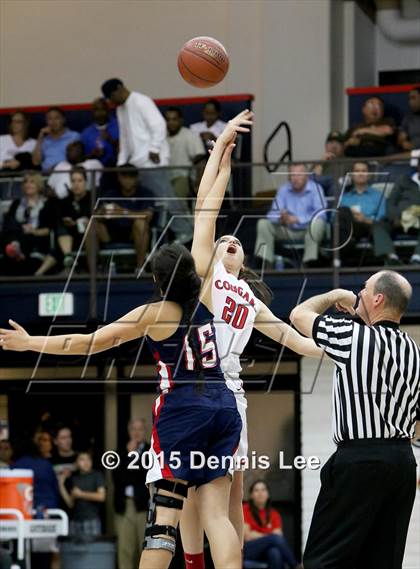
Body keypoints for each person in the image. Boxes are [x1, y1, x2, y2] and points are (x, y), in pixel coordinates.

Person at [0, 241, 244, 569]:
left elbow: (88, 343)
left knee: (164, 520)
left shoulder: (155, 313)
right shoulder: (209, 299)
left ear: (158, 282)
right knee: (216, 515)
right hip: (224, 407)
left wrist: (30, 342)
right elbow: (205, 227)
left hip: (185, 411)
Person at [180, 112, 322, 569]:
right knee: (193, 493)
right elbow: (207, 206)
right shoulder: (206, 276)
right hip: (197, 387)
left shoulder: (248, 297)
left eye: (233, 238)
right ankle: (195, 561)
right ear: (215, 253)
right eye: (223, 239)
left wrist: (348, 347)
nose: (229, 239)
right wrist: (220, 151)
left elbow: (297, 342)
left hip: (232, 393)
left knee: (234, 493)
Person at [290, 271, 420, 569]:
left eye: (364, 288)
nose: (358, 292)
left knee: (323, 560)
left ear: (378, 299)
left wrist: (335, 295)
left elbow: (299, 315)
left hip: (359, 460)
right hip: (402, 463)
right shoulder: (414, 351)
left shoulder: (352, 336)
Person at [101, 78, 192, 243]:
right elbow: (125, 138)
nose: (111, 101)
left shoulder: (142, 101)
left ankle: (186, 231)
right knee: (155, 202)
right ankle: (174, 233)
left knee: (166, 197)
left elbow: (158, 126)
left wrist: (154, 149)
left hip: (152, 161)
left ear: (120, 88)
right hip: (136, 164)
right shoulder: (121, 109)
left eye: (111, 97)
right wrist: (121, 164)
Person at [254, 163, 327, 268]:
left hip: (307, 229)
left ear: (306, 176)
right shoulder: (283, 190)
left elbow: (321, 213)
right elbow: (271, 214)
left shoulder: (316, 188)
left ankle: (308, 264)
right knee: (263, 223)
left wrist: (298, 219)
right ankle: (265, 264)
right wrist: (280, 218)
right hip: (287, 229)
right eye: (292, 175)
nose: (295, 178)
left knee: (318, 223)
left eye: (299, 175)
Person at [338, 160, 399, 265]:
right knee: (342, 212)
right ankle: (339, 254)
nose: (361, 173)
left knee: (378, 226)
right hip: (352, 228)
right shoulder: (344, 198)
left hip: (372, 227)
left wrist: (365, 219)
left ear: (369, 175)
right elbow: (334, 218)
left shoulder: (378, 195)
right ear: (352, 175)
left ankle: (390, 258)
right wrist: (350, 216)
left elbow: (383, 216)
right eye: (357, 171)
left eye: (364, 171)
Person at [96, 164, 154, 269]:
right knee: (92, 223)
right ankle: (94, 270)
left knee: (141, 223)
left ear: (136, 178)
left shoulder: (145, 193)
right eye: (124, 177)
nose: (127, 180)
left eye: (131, 177)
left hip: (133, 234)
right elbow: (97, 215)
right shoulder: (110, 194)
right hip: (111, 233)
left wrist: (123, 212)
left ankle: (140, 268)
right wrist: (104, 213)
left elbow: (147, 216)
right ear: (119, 177)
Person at [1, 171, 58, 276]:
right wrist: (21, 228)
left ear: (38, 185)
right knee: (11, 225)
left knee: (19, 232)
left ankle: (16, 248)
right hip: (17, 236)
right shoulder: (16, 203)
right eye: (25, 182)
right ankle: (15, 247)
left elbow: (48, 229)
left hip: (35, 239)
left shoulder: (47, 204)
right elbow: (8, 225)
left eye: (32, 182)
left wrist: (33, 230)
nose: (28, 184)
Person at [113, 419, 151, 569]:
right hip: (124, 504)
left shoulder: (150, 451)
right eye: (133, 429)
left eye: (140, 429)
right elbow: (117, 478)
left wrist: (134, 456)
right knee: (125, 548)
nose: (136, 433)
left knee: (145, 547)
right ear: (128, 432)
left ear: (145, 431)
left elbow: (144, 477)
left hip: (143, 505)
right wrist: (128, 455)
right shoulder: (120, 452)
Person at [243, 480, 301, 569]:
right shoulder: (245, 509)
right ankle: (296, 565)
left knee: (274, 552)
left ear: (268, 494)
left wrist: (261, 536)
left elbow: (279, 536)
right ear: (251, 495)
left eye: (263, 490)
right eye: (256, 490)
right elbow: (247, 536)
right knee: (274, 540)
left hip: (266, 552)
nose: (260, 493)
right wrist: (270, 537)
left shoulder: (274, 514)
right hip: (248, 550)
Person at [380, 160, 420, 265]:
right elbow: (391, 201)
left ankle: (417, 258)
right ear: (418, 166)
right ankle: (392, 258)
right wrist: (394, 218)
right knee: (379, 225)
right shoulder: (404, 180)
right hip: (399, 219)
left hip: (418, 221)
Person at [58, 451, 106, 538]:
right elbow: (70, 503)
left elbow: (101, 496)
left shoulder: (96, 475)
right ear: (76, 463)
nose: (86, 462)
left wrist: (81, 494)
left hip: (92, 520)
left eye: (88, 459)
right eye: (82, 460)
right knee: (76, 550)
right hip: (76, 520)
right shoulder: (75, 478)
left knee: (92, 548)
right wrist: (61, 484)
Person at [165, 107, 206, 204]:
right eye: (168, 120)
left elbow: (201, 160)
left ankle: (183, 219)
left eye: (174, 119)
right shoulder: (161, 136)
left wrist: (199, 183)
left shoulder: (190, 135)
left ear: (181, 120)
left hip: (184, 176)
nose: (171, 123)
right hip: (164, 177)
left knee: (177, 203)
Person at [56, 166, 93, 271]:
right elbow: (61, 217)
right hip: (70, 234)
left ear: (86, 182)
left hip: (88, 235)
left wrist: (79, 222)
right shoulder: (65, 201)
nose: (76, 184)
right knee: (60, 226)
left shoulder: (92, 198)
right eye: (73, 181)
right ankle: (68, 257)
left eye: (80, 181)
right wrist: (68, 221)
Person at [32, 107, 80, 172]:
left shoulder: (74, 136)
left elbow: (77, 160)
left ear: (63, 120)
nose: (53, 122)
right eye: (50, 119)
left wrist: (57, 168)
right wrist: (40, 137)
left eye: (56, 118)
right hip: (46, 175)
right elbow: (36, 162)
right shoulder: (44, 140)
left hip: (67, 174)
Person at [81, 98, 119, 166]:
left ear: (108, 111)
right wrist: (93, 155)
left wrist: (111, 141)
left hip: (117, 167)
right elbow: (82, 159)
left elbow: (126, 151)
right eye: (96, 110)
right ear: (92, 112)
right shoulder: (86, 133)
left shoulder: (119, 126)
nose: (100, 113)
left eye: (103, 109)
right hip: (95, 169)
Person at [398, 86, 420, 151]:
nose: (410, 102)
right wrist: (403, 143)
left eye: (413, 98)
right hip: (414, 154)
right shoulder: (408, 118)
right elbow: (401, 139)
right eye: (409, 99)